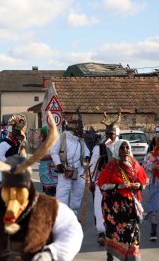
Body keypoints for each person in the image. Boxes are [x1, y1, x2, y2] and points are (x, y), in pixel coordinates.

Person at [0, 113, 83, 261]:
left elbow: (73, 230)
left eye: (20, 191)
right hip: (4, 174)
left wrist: (51, 253)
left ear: (28, 186)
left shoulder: (48, 207)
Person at [97, 140, 147, 261]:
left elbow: (144, 181)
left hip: (131, 207)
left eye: (127, 148)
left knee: (133, 234)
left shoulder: (135, 165)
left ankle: (132, 258)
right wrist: (118, 186)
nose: (125, 150)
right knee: (115, 233)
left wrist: (138, 186)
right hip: (114, 209)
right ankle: (111, 254)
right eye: (122, 148)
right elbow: (101, 184)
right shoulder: (111, 167)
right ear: (117, 150)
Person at [89, 112, 120, 246]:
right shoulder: (99, 148)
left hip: (117, 183)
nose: (109, 137)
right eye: (107, 134)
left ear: (116, 134)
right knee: (99, 206)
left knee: (116, 207)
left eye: (111, 134)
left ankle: (114, 232)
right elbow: (92, 166)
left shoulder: (122, 147)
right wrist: (91, 181)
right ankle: (101, 232)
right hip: (101, 182)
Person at [50, 119, 90, 216]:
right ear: (74, 129)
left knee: (77, 193)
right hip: (65, 169)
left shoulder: (80, 139)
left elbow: (86, 151)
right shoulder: (62, 138)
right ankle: (61, 216)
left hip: (79, 170)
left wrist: (87, 156)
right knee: (62, 193)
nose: (81, 130)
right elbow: (53, 151)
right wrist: (58, 163)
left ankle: (73, 214)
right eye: (80, 128)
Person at [143, 135, 159, 242]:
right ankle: (153, 232)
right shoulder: (151, 154)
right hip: (155, 184)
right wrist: (152, 166)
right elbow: (144, 165)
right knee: (154, 208)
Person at [38, 126, 58, 196]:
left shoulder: (55, 142)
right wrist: (51, 156)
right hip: (45, 169)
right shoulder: (41, 143)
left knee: (55, 190)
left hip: (53, 169)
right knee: (48, 190)